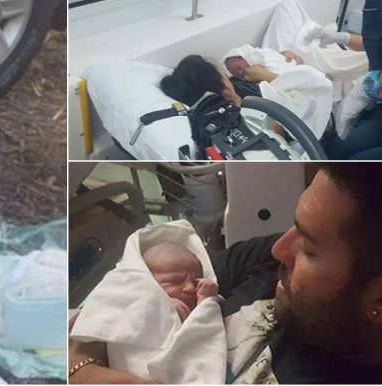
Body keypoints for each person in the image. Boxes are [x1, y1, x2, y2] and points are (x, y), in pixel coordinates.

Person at [70, 163, 382, 383]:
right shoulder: (271, 262)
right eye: (294, 227)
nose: (279, 250)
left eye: (309, 250)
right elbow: (149, 287)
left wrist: (80, 369)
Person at [143, 242, 218, 322]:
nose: (191, 288)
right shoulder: (140, 307)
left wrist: (206, 301)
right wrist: (161, 308)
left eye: (196, 282)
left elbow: (206, 329)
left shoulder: (207, 299)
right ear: (149, 283)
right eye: (175, 281)